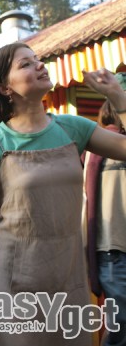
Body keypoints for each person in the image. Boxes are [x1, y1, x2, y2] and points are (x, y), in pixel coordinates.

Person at [0, 42, 126, 345]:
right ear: (5, 87)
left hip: (67, 276)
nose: (39, 65)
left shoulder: (73, 129)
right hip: (12, 283)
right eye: (25, 64)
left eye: (37, 59)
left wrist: (118, 97)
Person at [83, 99, 126, 346]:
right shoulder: (103, 147)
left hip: (110, 248)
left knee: (119, 325)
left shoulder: (92, 151)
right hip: (113, 248)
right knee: (121, 327)